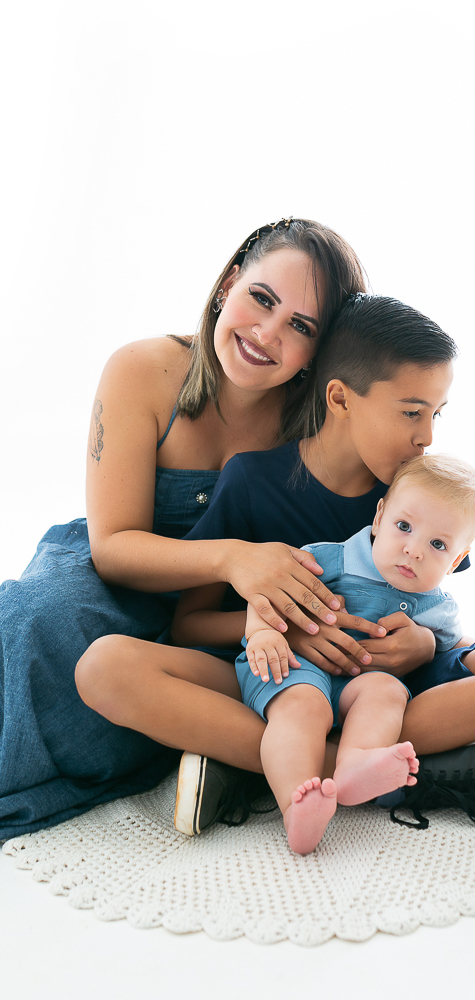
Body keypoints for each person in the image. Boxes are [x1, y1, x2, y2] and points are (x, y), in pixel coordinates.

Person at [76, 294, 475, 838]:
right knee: (105, 668)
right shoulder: (252, 480)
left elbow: (437, 607)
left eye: (436, 414)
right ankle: (405, 773)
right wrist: (289, 631)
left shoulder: (414, 497)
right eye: (412, 412)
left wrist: (424, 645)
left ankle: (264, 765)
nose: (428, 436)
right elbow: (190, 626)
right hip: (278, 677)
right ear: (340, 398)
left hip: (384, 691)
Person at [0, 218, 381, 840]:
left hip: (236, 616)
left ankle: (253, 754)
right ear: (229, 283)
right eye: (261, 298)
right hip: (121, 578)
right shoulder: (145, 369)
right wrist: (232, 557)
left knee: (302, 676)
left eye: (301, 327)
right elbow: (113, 547)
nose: (267, 333)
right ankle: (268, 761)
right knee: (37, 621)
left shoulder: (318, 421)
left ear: (321, 351)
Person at [232, 452, 475, 856]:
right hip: (295, 667)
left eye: (438, 544)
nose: (413, 550)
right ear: (379, 518)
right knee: (304, 707)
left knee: (387, 692)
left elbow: (457, 648)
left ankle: (357, 763)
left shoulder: (437, 607)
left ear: (457, 560)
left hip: (357, 686)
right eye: (404, 527)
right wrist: (261, 632)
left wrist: (445, 648)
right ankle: (295, 806)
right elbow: (266, 592)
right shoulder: (328, 559)